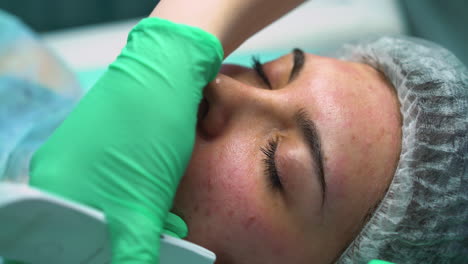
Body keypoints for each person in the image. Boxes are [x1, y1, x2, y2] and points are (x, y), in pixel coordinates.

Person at [3, 1, 466, 264]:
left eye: (278, 165)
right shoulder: (22, 68)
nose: (217, 88)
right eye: (264, 72)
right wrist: (178, 36)